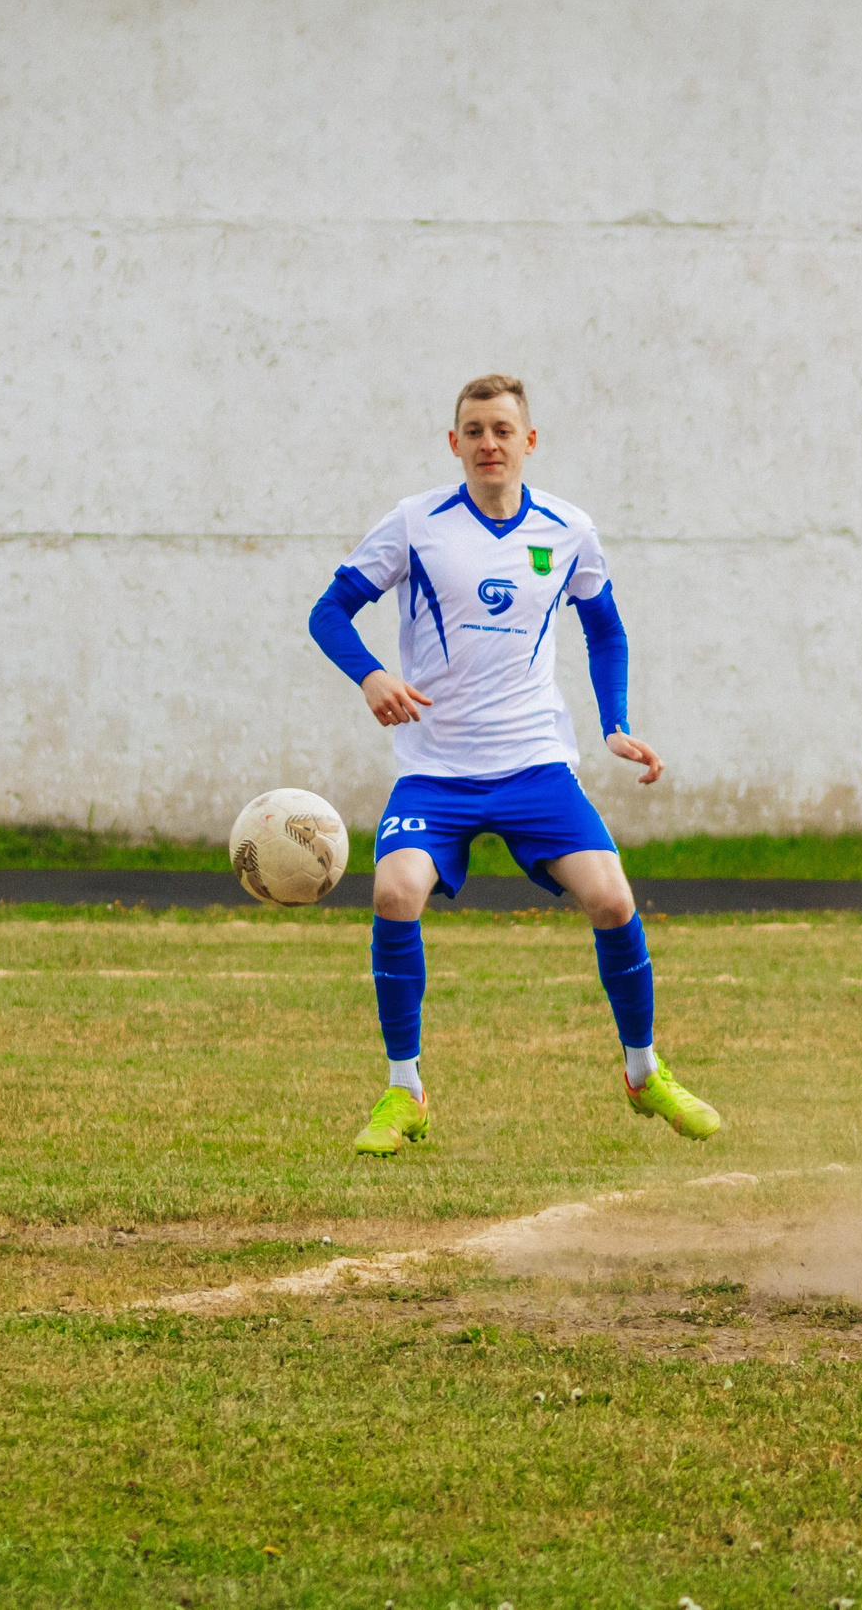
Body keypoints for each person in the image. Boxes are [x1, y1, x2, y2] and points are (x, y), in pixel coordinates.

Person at [306, 374, 723, 1158]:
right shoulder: (415, 524)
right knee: (396, 892)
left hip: (535, 764)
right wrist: (370, 674)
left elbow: (606, 629)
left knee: (612, 898)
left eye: (503, 429)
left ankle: (644, 1071)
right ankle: (405, 1092)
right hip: (435, 770)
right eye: (474, 429)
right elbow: (328, 610)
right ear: (454, 442)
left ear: (529, 441)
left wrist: (618, 724)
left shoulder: (569, 529)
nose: (488, 443)